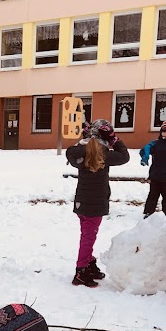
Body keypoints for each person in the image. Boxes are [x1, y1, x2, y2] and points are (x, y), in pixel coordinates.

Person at [66, 119, 130, 288]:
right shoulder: (104, 153)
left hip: (81, 202)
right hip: (94, 204)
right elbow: (125, 157)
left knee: (87, 236)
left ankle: (88, 263)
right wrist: (114, 139)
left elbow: (70, 152)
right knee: (88, 238)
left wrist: (84, 137)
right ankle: (81, 271)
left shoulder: (81, 151)